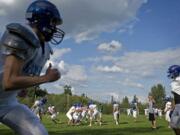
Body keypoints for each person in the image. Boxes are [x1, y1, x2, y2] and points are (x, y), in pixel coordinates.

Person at [0, 1, 65, 135]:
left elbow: (20, 76)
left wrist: (21, 88)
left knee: (38, 133)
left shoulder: (45, 47)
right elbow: (8, 82)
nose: (54, 27)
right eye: (53, 22)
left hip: (7, 102)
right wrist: (45, 78)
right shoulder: (19, 36)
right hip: (6, 97)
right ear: (40, 19)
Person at [167, 65, 180, 134]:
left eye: (171, 72)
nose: (170, 74)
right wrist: (173, 107)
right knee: (174, 125)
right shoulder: (173, 82)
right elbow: (174, 96)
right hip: (177, 105)